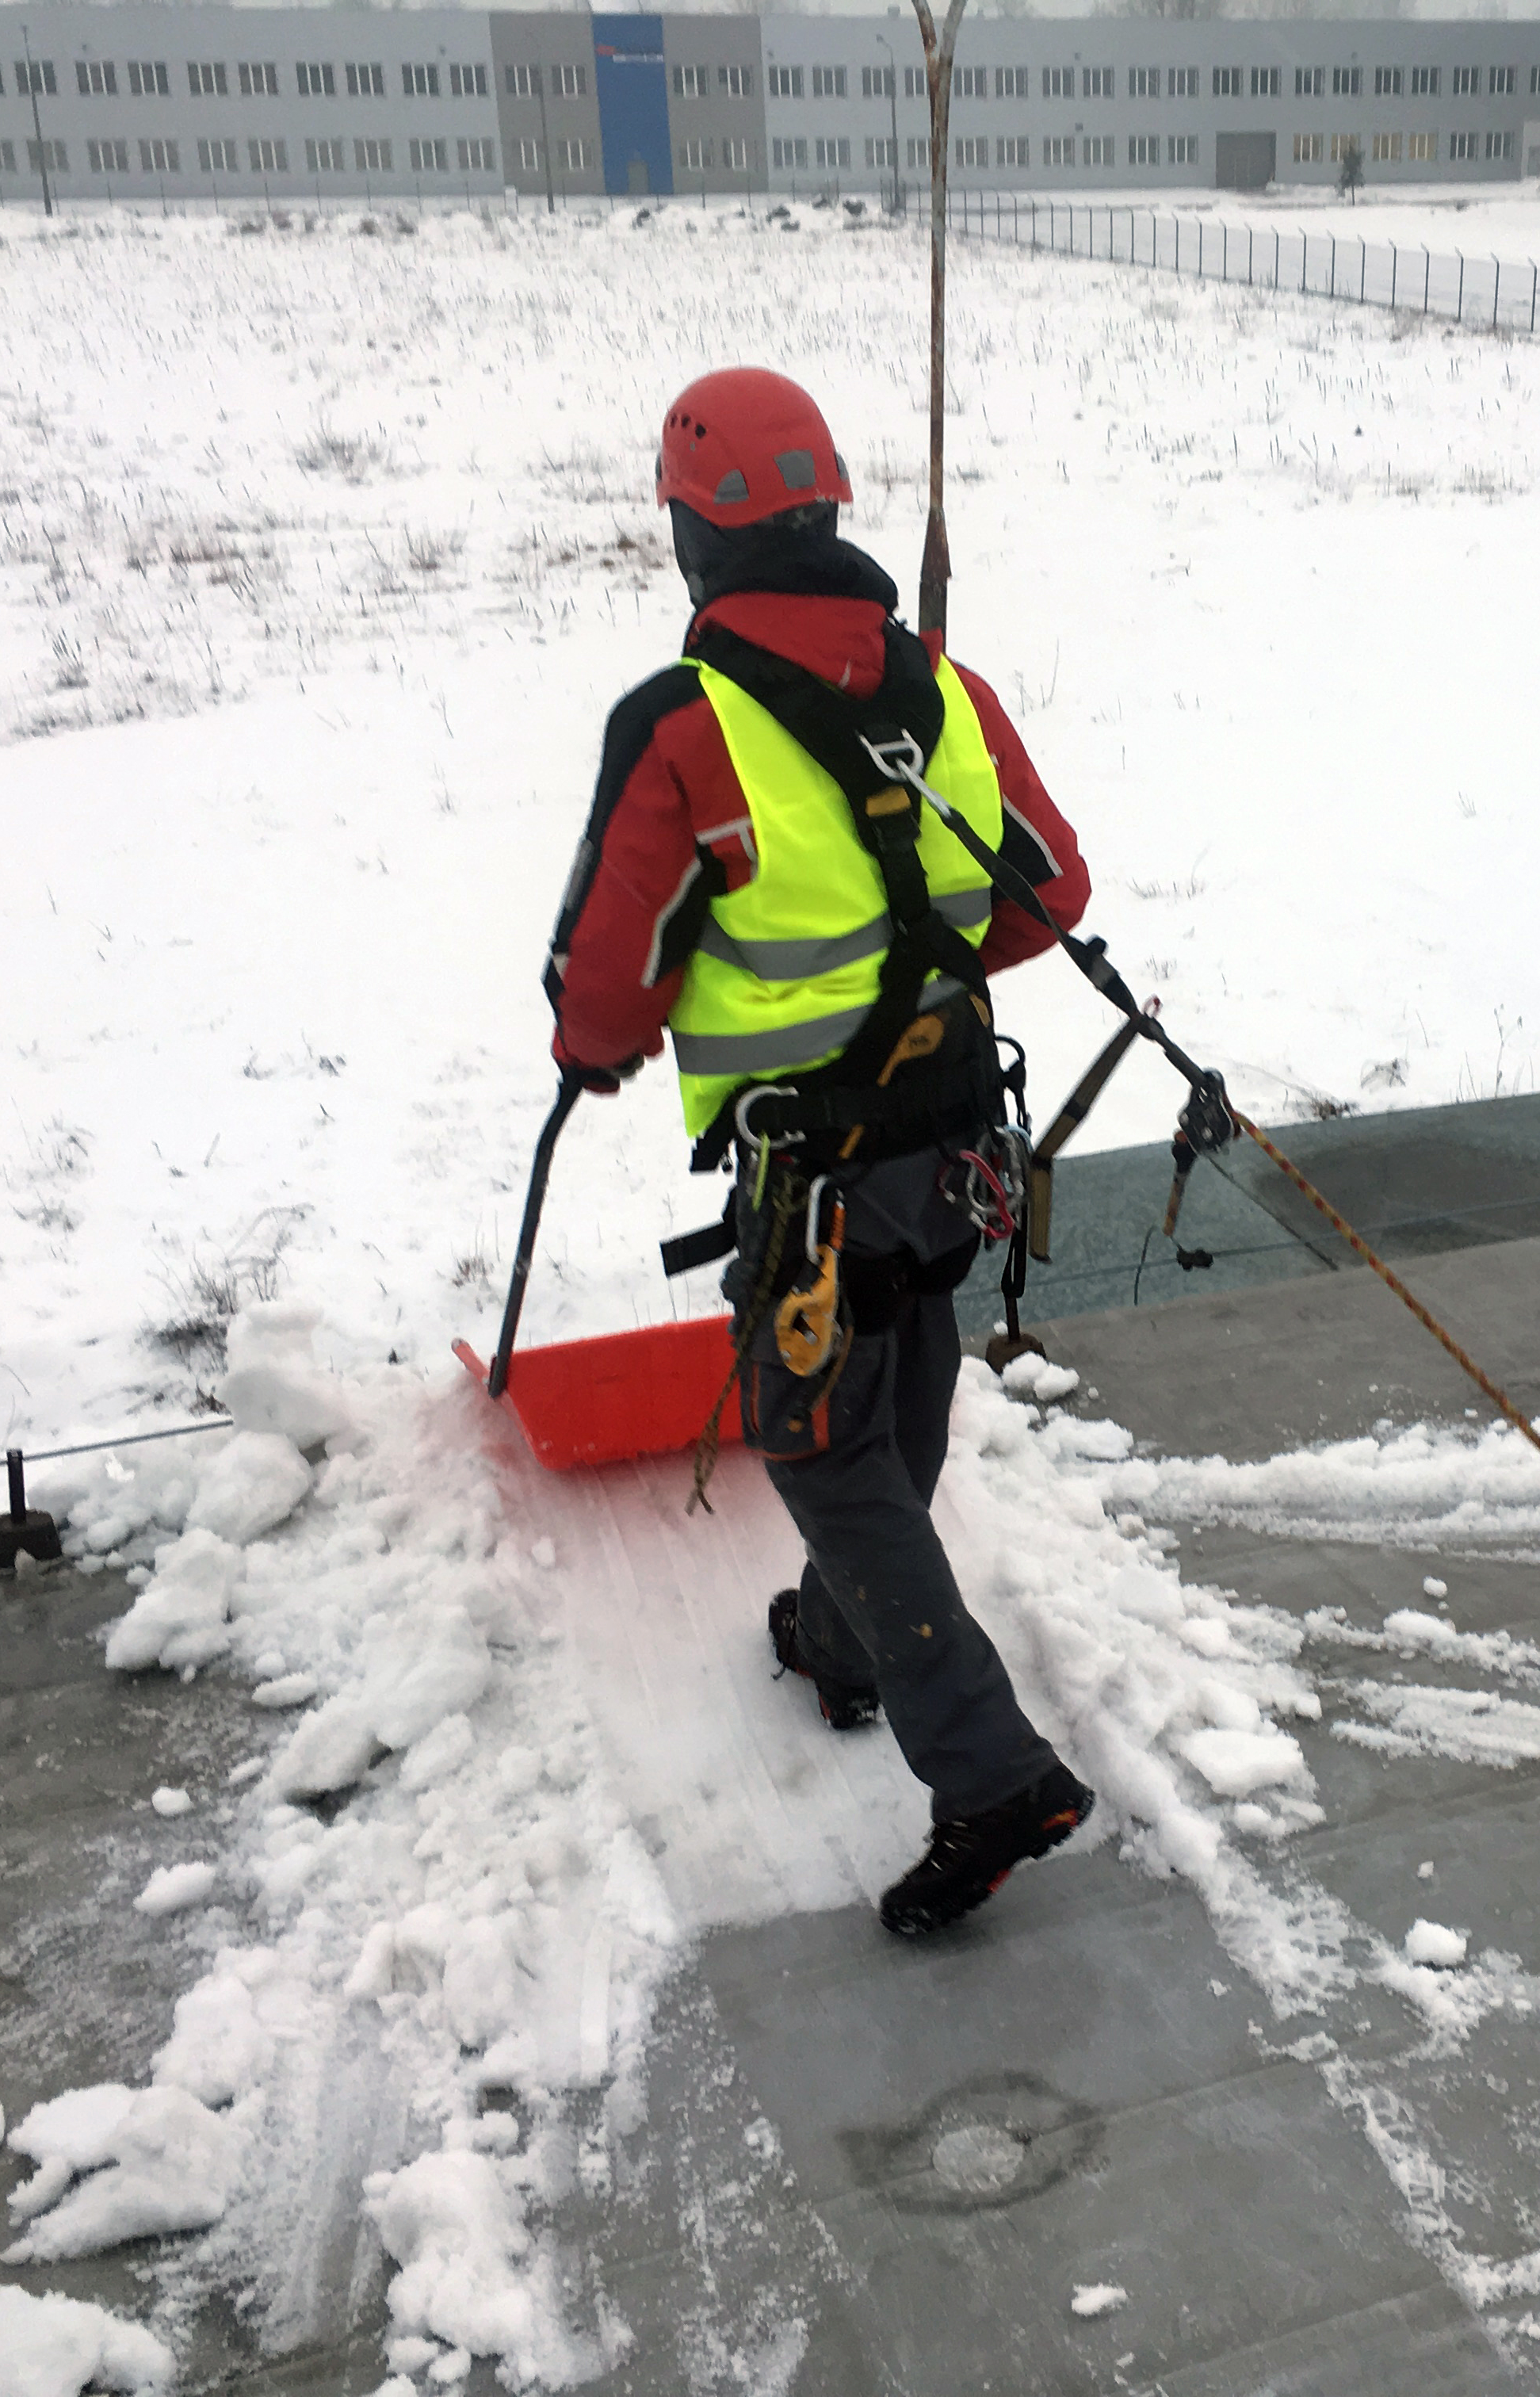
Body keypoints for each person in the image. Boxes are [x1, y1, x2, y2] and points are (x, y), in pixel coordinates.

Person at [542, 367, 1098, 1939]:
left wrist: (598, 1049)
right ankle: (848, 1648)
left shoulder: (682, 728)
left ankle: (990, 1775)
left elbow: (608, 977)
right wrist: (914, 955)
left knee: (824, 1450)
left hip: (816, 1186)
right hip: (956, 1156)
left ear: (691, 541)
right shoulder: (950, 694)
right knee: (898, 1394)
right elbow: (1047, 889)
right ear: (827, 512)